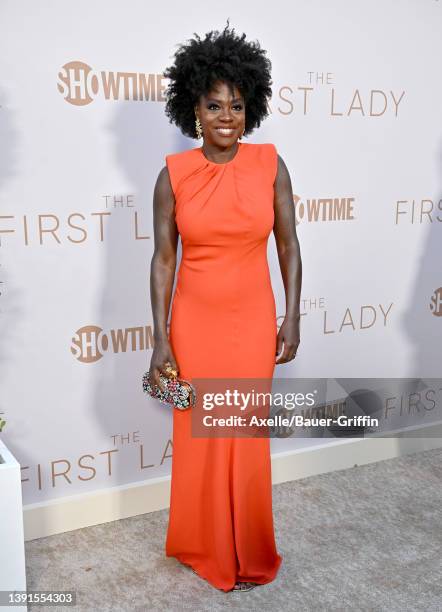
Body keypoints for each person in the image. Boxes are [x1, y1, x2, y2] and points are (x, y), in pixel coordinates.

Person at [149, 22, 302, 593]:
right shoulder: (173, 175)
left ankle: (249, 549)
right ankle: (204, 545)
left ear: (251, 108)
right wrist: (161, 337)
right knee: (202, 438)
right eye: (214, 105)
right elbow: (164, 261)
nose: (226, 117)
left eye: (237, 105)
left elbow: (288, 244)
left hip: (252, 320)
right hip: (194, 322)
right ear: (194, 108)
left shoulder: (270, 166)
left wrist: (292, 315)